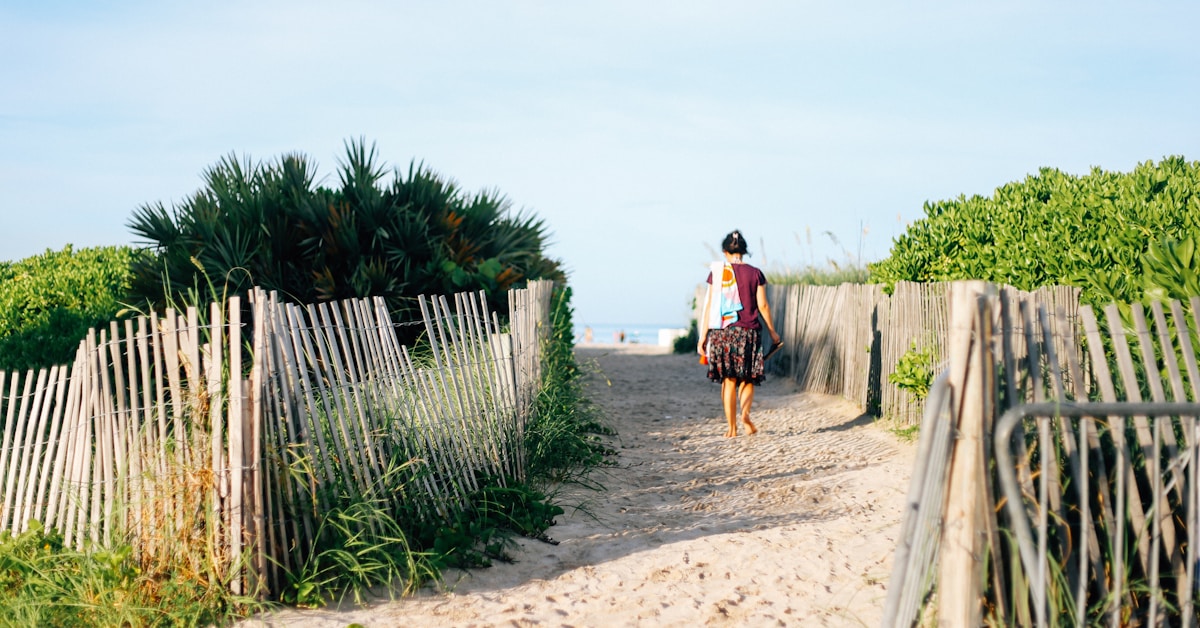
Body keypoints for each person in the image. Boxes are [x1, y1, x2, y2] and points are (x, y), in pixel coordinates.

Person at [697, 229, 781, 438]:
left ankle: (731, 428)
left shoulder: (717, 273)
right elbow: (763, 305)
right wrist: (773, 332)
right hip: (749, 332)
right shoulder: (755, 273)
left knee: (729, 381)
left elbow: (709, 306)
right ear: (744, 251)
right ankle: (745, 415)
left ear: (725, 251)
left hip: (722, 332)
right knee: (747, 379)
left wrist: (702, 337)